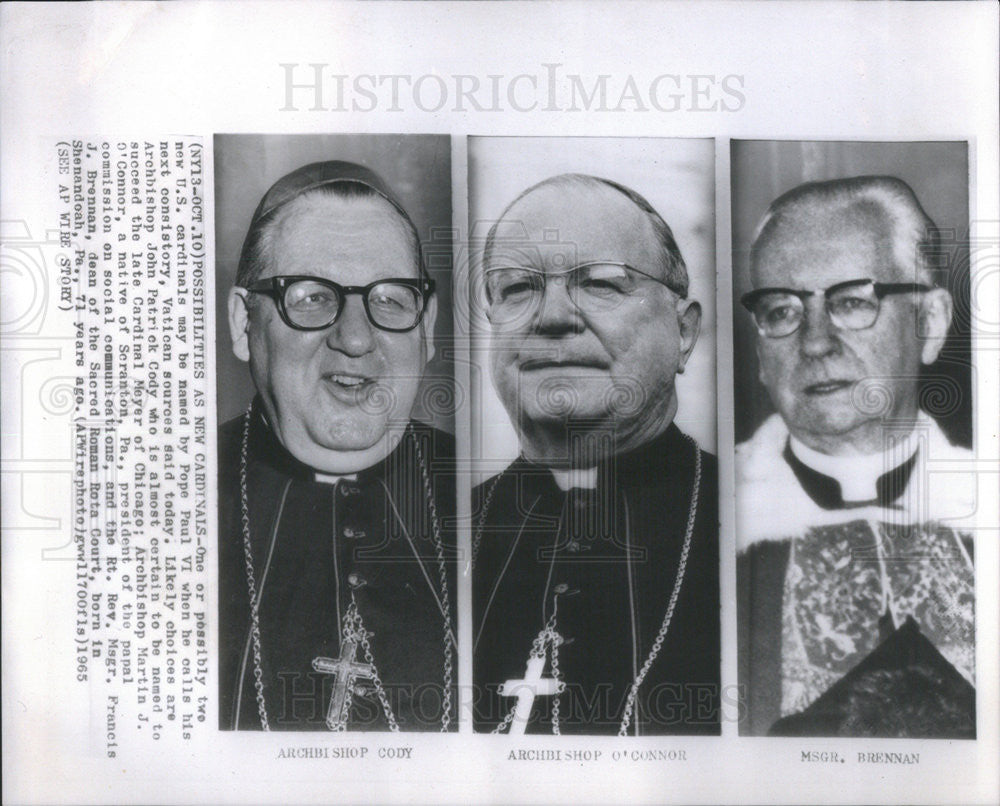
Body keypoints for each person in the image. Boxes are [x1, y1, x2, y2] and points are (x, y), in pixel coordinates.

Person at [472, 174, 720, 736]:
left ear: (684, 332)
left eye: (601, 284)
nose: (552, 316)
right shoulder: (431, 535)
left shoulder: (748, 530)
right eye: (516, 289)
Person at [218, 161, 456, 732]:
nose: (354, 337)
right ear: (242, 323)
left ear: (426, 330)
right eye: (311, 297)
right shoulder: (164, 501)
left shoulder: (498, 497)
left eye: (393, 299)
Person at [735, 175, 976, 737]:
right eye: (781, 311)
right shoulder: (703, 516)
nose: (815, 342)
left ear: (931, 322)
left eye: (850, 302)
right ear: (761, 355)